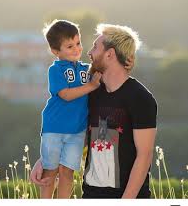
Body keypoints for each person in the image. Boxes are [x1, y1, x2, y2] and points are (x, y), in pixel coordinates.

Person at [30, 23, 157, 199]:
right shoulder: (91, 92)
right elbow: (77, 132)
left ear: (110, 54)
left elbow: (145, 155)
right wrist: (45, 160)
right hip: (90, 196)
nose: (88, 52)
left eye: (95, 47)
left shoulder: (140, 98)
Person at [38, 19, 102, 198]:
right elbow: (65, 95)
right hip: (54, 129)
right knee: (50, 171)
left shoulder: (87, 69)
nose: (77, 49)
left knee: (68, 173)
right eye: (69, 46)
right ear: (55, 51)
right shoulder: (55, 70)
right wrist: (91, 87)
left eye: (78, 43)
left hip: (77, 132)